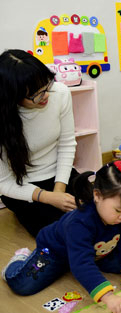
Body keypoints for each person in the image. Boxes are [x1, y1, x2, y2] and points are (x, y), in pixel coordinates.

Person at [2, 159, 121, 313]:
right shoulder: (80, 222)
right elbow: (82, 263)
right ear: (97, 195)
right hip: (55, 252)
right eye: (118, 210)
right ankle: (20, 260)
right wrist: (108, 296)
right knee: (23, 285)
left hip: (93, 251)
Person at [0, 49, 78, 237]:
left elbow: (67, 143)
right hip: (22, 187)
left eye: (46, 85)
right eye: (35, 94)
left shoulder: (60, 93)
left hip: (59, 176)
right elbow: (3, 183)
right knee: (60, 233)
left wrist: (59, 189)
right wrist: (49, 198)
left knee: (99, 209)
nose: (45, 96)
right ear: (14, 97)